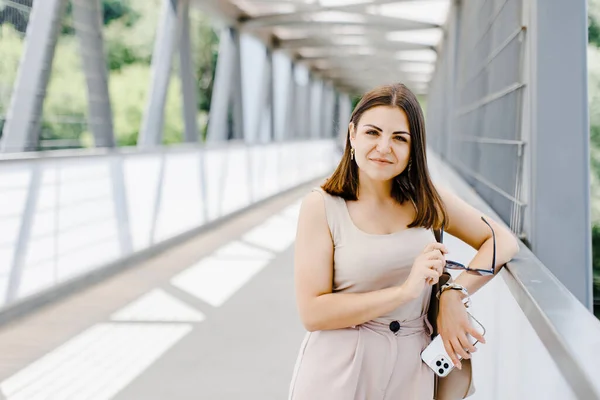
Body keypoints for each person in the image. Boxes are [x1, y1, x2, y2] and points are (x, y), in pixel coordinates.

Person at [288, 83, 520, 399]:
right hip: (338, 369)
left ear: (413, 149)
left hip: (411, 369)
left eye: (400, 138)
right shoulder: (323, 206)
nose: (384, 147)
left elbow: (501, 241)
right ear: (352, 135)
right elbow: (313, 313)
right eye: (373, 133)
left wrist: (454, 293)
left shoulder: (426, 201)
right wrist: (404, 292)